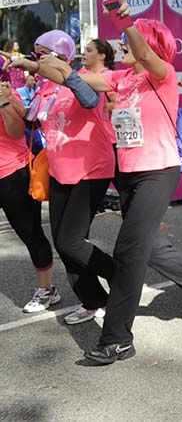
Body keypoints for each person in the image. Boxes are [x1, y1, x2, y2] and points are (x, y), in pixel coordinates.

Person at [77, 0, 182, 364]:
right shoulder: (124, 80)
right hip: (128, 174)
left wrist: (126, 19)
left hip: (158, 172)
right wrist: (38, 65)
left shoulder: (163, 76)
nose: (123, 44)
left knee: (128, 250)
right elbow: (76, 77)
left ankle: (117, 339)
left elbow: (143, 53)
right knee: (148, 246)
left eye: (131, 39)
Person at [19, 33, 116, 324]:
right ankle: (95, 300)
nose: (37, 60)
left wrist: (57, 74)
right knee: (63, 242)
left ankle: (121, 276)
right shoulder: (45, 88)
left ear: (61, 56)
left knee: (71, 241)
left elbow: (88, 101)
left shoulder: (84, 77)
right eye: (35, 55)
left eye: (42, 54)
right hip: (60, 170)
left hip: (91, 169)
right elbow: (29, 121)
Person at [0, 77, 56, 313]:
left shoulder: (8, 97)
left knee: (31, 233)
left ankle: (47, 290)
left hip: (12, 174)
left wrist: (3, 104)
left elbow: (16, 132)